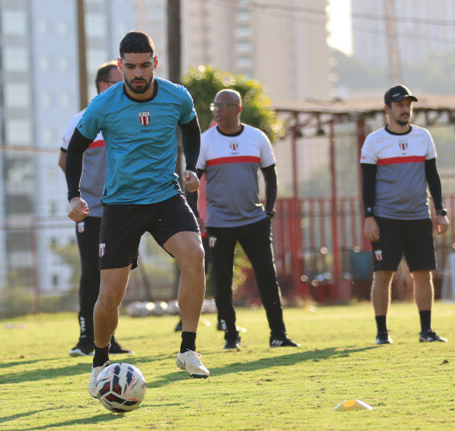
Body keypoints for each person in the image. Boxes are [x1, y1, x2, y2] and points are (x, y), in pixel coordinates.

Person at [65, 31, 210, 398]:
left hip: (165, 196)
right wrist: (74, 196)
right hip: (121, 205)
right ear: (120, 66)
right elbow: (76, 150)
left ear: (154, 63)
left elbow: (191, 130)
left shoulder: (177, 96)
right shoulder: (103, 105)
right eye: (130, 66)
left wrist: (192, 167)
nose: (138, 73)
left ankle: (188, 349)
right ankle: (99, 363)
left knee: (194, 255)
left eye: (145, 65)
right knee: (110, 295)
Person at [197, 89, 299, 351]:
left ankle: (278, 334)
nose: (217, 111)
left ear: (238, 109)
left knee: (267, 277)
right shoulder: (205, 141)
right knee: (221, 280)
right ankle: (231, 336)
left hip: (254, 221)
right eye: (215, 106)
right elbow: (192, 181)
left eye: (223, 106)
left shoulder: (256, 137)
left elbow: (271, 175)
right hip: (219, 222)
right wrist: (197, 217)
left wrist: (270, 210)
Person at [361, 84, 450, 345]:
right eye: (399, 105)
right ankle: (381, 333)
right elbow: (367, 183)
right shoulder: (374, 140)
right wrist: (369, 217)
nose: (405, 109)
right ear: (387, 109)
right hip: (385, 219)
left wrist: (440, 211)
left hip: (418, 218)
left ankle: (426, 331)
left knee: (423, 274)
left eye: (408, 104)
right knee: (383, 274)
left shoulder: (423, 137)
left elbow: (433, 177)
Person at [59, 61, 133, 357]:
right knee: (91, 271)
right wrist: (79, 193)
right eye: (118, 80)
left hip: (120, 210)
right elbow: (65, 161)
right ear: (103, 86)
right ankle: (85, 338)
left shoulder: (124, 119)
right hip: (90, 213)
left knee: (114, 274)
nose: (125, 84)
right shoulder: (81, 121)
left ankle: (108, 338)